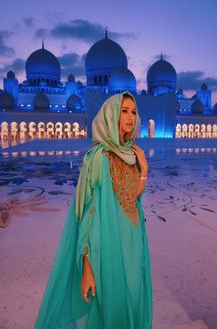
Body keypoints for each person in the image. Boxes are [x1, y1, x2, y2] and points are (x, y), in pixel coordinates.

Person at [34, 92, 152, 329]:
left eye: (134, 112)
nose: (130, 117)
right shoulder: (98, 158)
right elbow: (89, 215)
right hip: (108, 247)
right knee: (110, 309)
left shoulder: (132, 153)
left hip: (134, 245)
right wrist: (87, 267)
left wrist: (144, 169)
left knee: (133, 300)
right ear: (111, 115)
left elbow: (132, 197)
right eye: (124, 111)